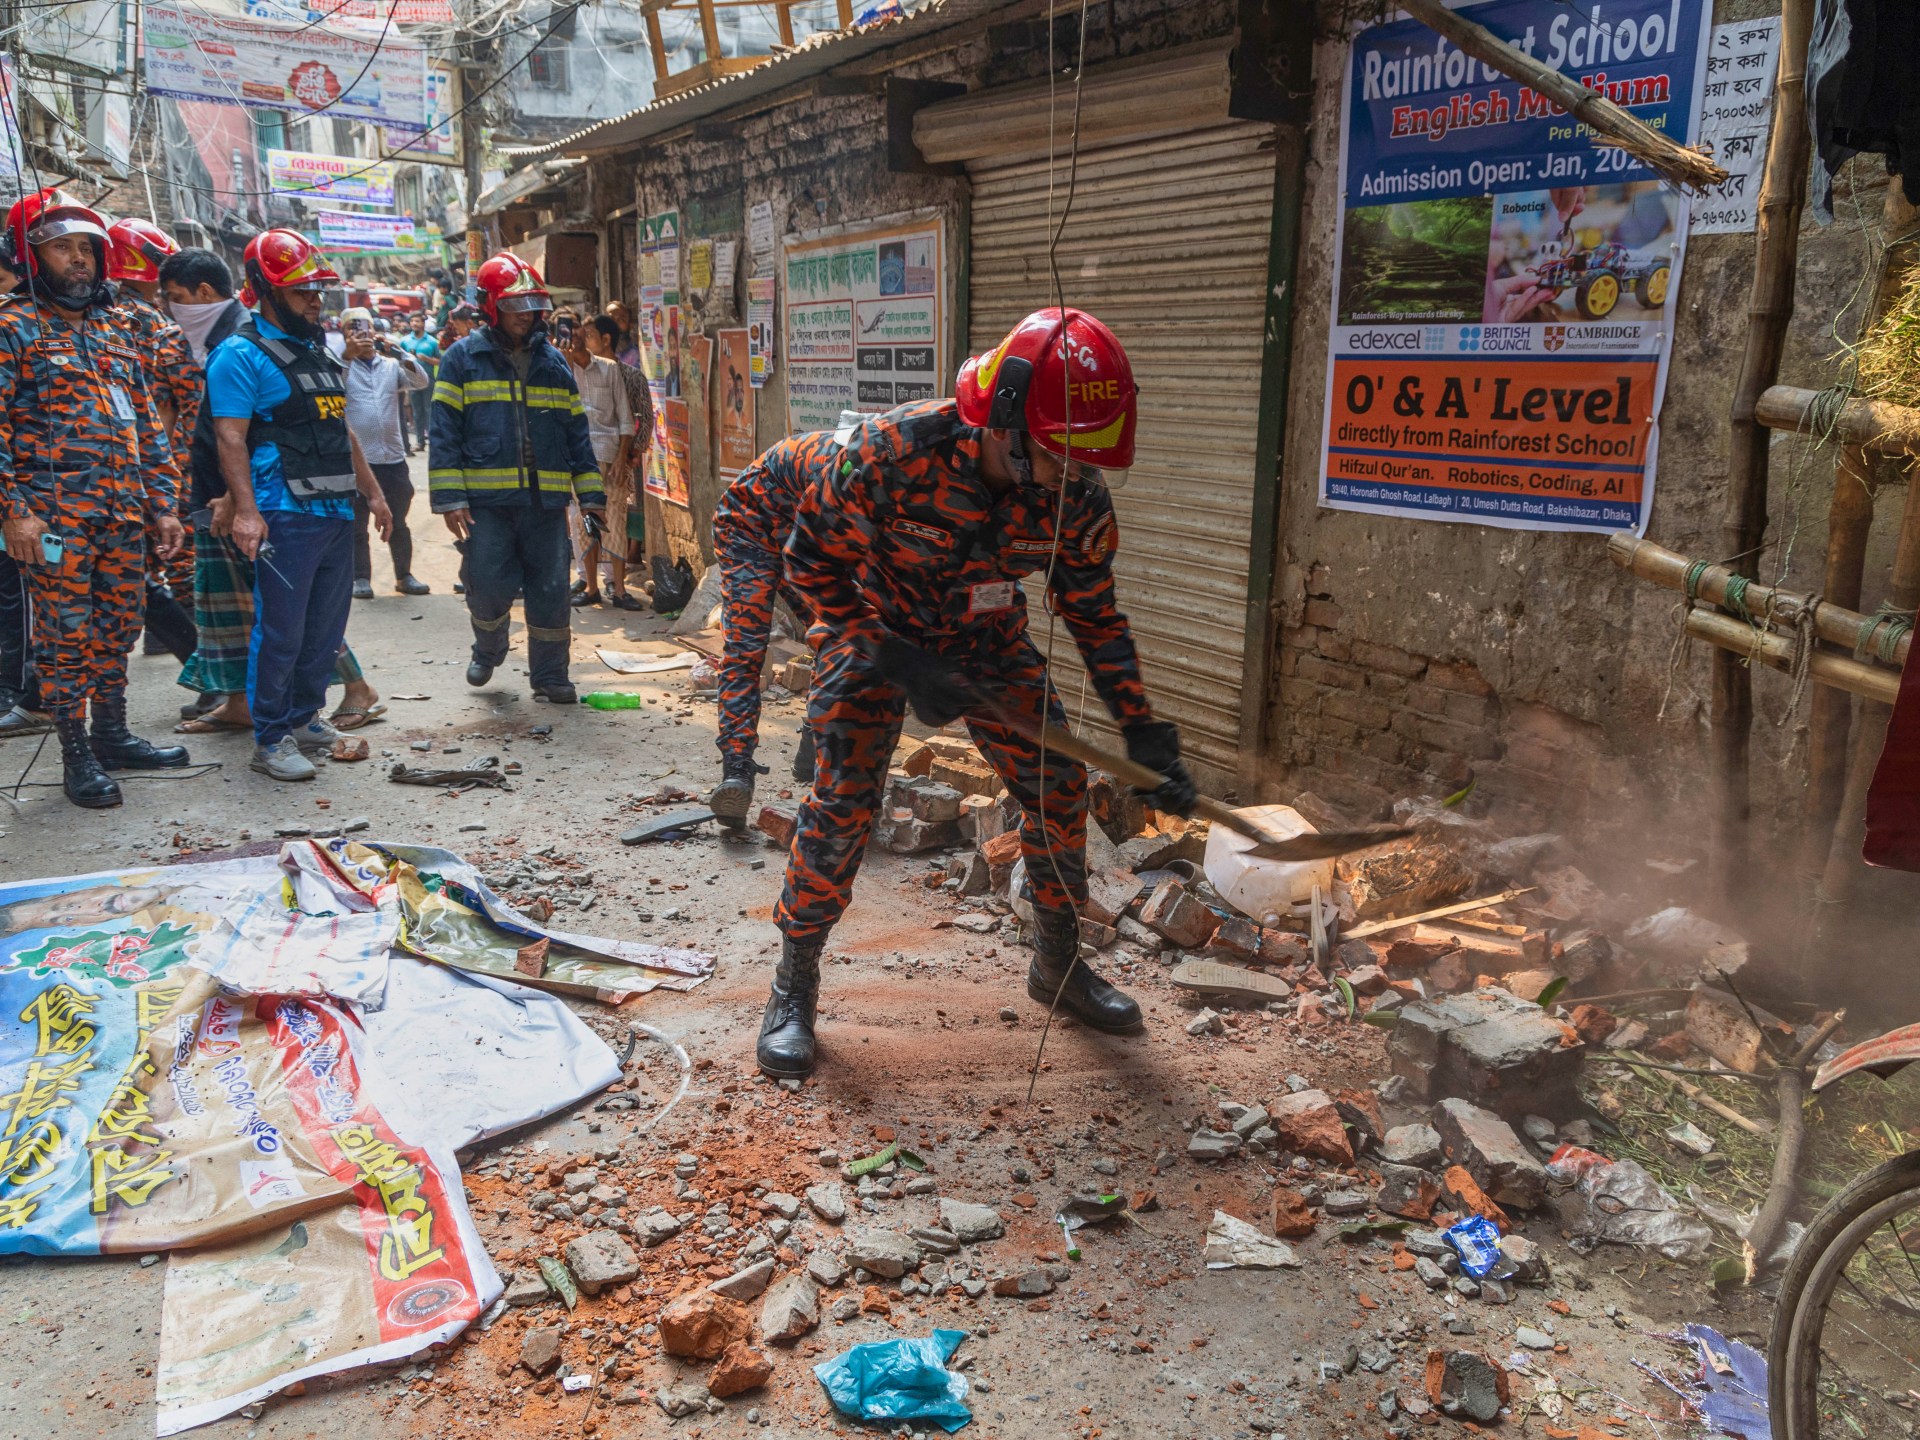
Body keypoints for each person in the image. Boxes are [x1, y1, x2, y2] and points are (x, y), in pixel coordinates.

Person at [753, 309, 1200, 1079]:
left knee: (1059, 785)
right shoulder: (893, 451)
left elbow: (1093, 614)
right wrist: (893, 657)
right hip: (874, 631)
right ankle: (794, 985)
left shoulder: (1075, 494)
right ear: (1006, 423)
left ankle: (1058, 967)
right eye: (1061, 456)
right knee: (844, 805)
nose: (1075, 476)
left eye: (1087, 462)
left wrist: (1140, 726)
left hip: (986, 638)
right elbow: (809, 564)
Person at [0, 188, 190, 807]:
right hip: (53, 522)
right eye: (63, 248)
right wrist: (14, 513)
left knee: (119, 625)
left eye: (87, 247)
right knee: (64, 636)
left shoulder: (114, 329)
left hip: (123, 514)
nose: (79, 258)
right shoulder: (11, 327)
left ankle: (112, 733)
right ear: (30, 256)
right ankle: (75, 752)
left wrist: (164, 504)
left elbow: (147, 425)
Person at [163, 249, 385, 738]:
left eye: (317, 290)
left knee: (322, 631)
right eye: (301, 291)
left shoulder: (318, 352)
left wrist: (373, 493)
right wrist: (244, 508)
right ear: (266, 292)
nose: (314, 300)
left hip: (335, 509)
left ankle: (304, 720)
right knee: (281, 632)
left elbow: (341, 429)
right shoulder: (239, 353)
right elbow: (230, 436)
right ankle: (272, 736)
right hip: (283, 510)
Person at [430, 252, 600, 704]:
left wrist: (591, 496)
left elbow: (576, 433)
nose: (526, 315)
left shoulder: (554, 363)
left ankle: (550, 674)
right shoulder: (461, 360)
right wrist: (450, 498)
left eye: (532, 305)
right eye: (514, 305)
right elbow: (443, 432)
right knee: (486, 584)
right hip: (487, 503)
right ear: (491, 306)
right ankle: (488, 648)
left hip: (545, 502)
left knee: (551, 589)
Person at [705, 426, 835, 829]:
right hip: (748, 531)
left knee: (836, 638)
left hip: (803, 540)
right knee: (745, 650)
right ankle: (736, 769)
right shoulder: (840, 470)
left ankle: (817, 752)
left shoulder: (890, 484)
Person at [104, 218, 201, 669]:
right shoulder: (147, 319)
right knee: (168, 561)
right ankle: (204, 665)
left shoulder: (118, 315)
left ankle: (198, 663)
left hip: (135, 459)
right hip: (156, 459)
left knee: (151, 563)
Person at [339, 307, 429, 599]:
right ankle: (360, 578)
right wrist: (347, 356)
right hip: (357, 462)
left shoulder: (390, 365)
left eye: (366, 329)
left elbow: (421, 381)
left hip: (392, 458)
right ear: (345, 334)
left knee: (399, 521)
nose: (362, 335)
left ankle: (404, 575)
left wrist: (399, 352)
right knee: (357, 524)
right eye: (354, 329)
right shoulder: (340, 365)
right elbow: (332, 386)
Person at [564, 314, 637, 608]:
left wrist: (622, 457)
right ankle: (592, 587)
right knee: (585, 525)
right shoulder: (559, 370)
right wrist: (563, 361)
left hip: (609, 456)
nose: (574, 335)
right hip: (577, 459)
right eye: (567, 330)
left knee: (616, 522)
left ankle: (619, 589)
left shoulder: (609, 368)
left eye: (577, 329)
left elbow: (625, 419)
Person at [399, 311, 439, 460]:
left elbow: (439, 360)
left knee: (429, 410)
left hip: (429, 380)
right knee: (416, 412)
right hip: (411, 381)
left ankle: (433, 441)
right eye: (412, 321)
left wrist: (427, 359)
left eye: (417, 321)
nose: (414, 324)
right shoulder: (404, 341)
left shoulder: (432, 342)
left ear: (423, 323)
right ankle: (420, 441)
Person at [605, 299, 640, 368]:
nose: (615, 323)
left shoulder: (637, 357)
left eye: (621, 320)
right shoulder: (593, 356)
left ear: (630, 325)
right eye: (611, 319)